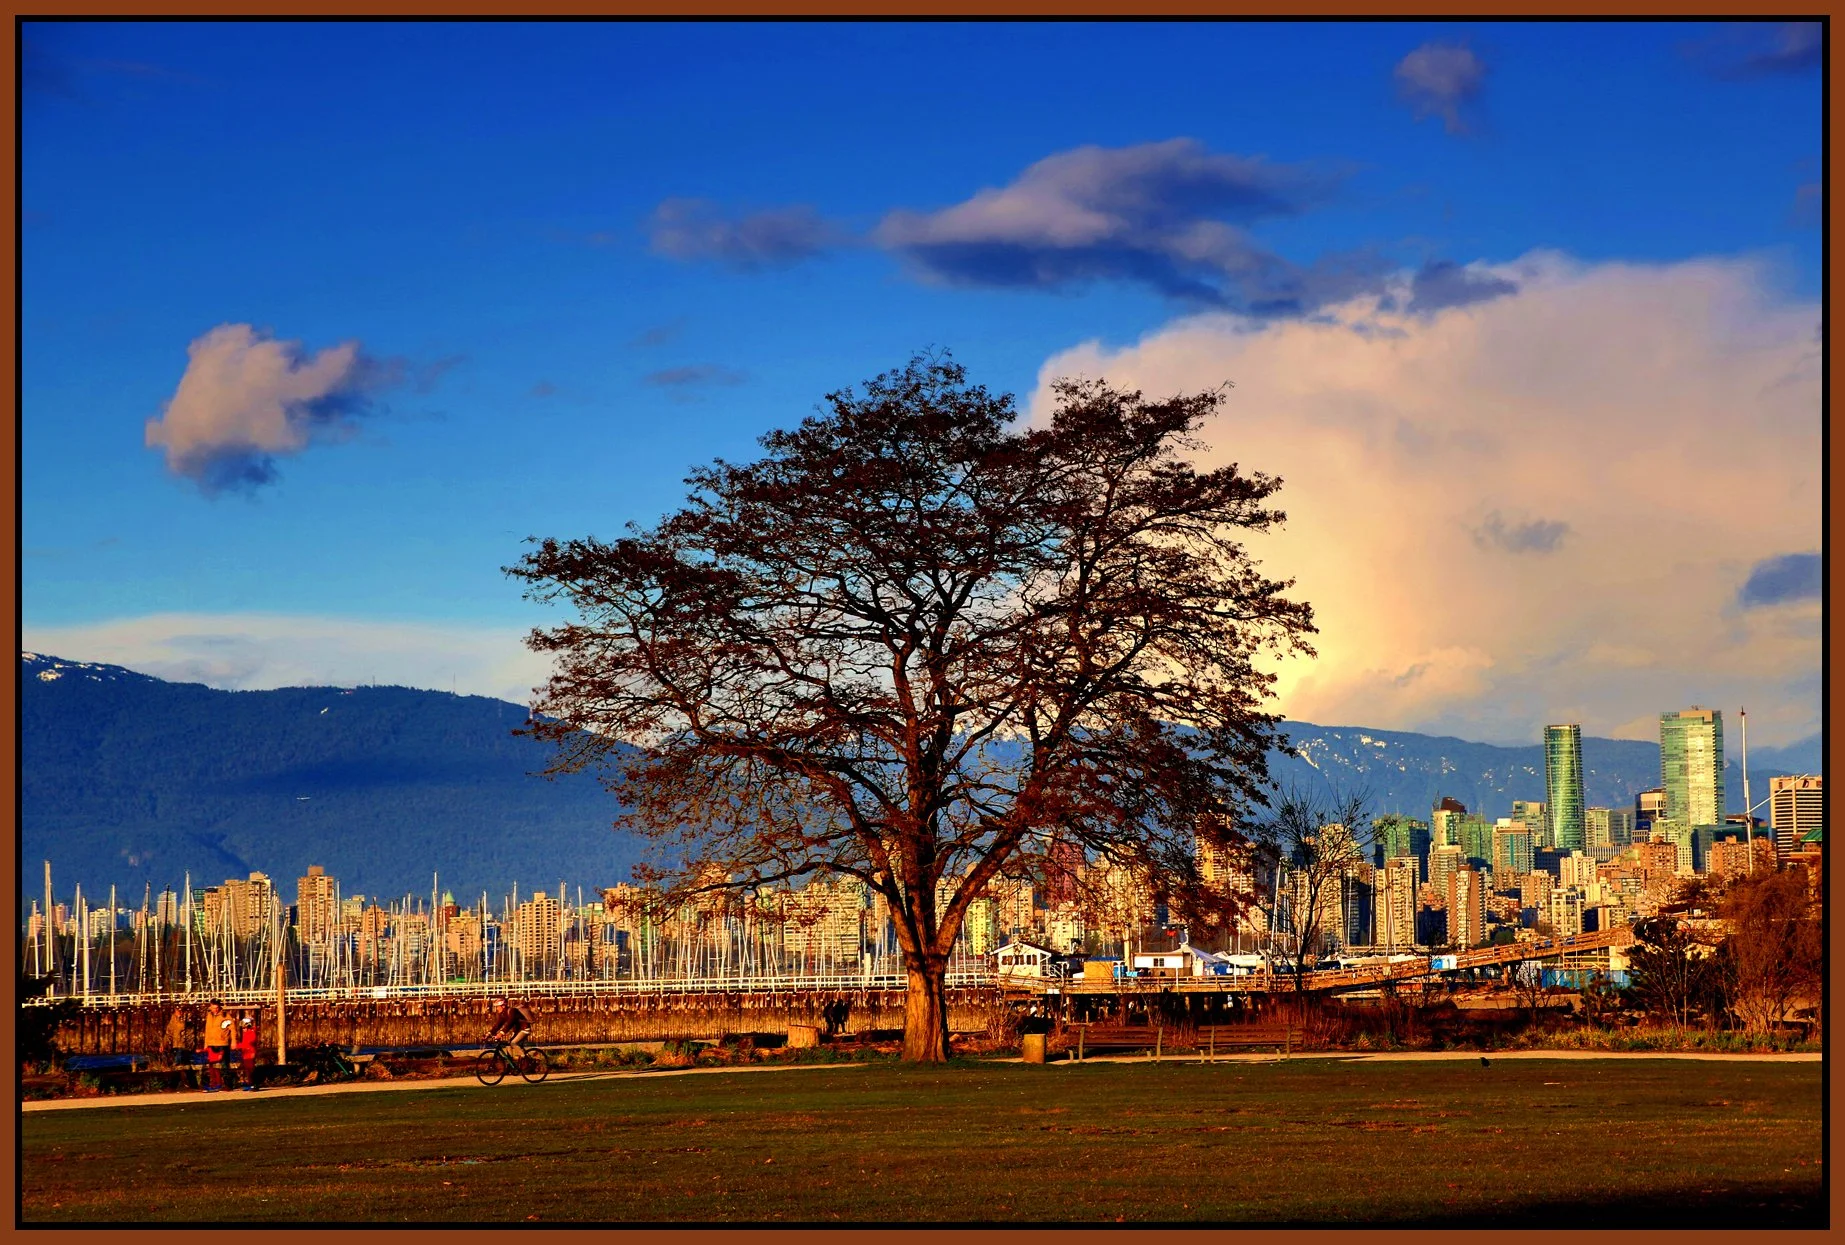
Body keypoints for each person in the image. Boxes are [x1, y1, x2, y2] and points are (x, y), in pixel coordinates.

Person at [485, 996, 534, 1062]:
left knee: (513, 1043)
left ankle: (524, 1059)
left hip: (524, 1029)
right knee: (508, 1044)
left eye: (497, 1007)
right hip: (517, 1030)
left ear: (503, 1006)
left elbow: (510, 1023)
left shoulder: (512, 1011)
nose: (496, 1009)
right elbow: (498, 1025)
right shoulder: (502, 1014)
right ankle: (510, 1062)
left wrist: (501, 1033)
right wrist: (489, 1033)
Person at [201, 1001, 233, 1092]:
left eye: (217, 1008)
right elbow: (207, 1030)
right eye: (213, 1008)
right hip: (212, 1044)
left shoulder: (225, 1016)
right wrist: (206, 1044)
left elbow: (232, 1028)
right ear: (210, 1007)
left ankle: (227, 1085)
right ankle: (215, 1084)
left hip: (222, 1043)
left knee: (224, 1065)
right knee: (212, 1066)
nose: (215, 1010)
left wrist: (233, 1041)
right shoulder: (209, 1016)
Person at [234, 1013, 260, 1091]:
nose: (243, 1029)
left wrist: (238, 1046)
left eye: (244, 1027)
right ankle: (250, 1083)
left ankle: (254, 1084)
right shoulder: (246, 1033)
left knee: (251, 1069)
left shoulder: (251, 1032)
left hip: (250, 1053)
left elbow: (249, 1043)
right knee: (247, 1070)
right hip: (246, 1054)